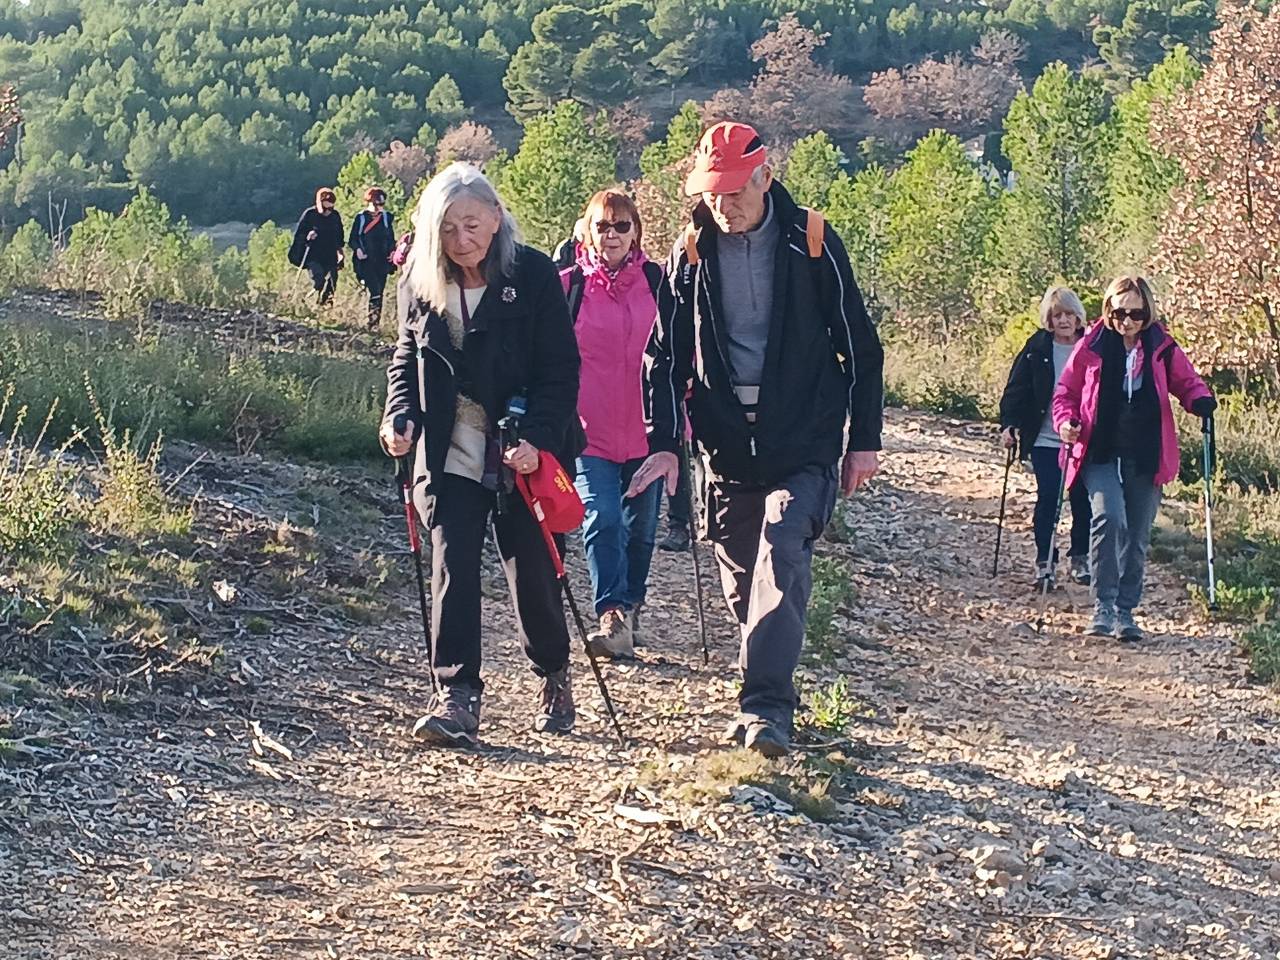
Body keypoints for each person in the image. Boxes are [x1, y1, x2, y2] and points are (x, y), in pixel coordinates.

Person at [627, 121, 884, 757]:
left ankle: (766, 708)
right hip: (725, 449)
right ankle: (763, 684)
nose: (723, 204)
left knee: (783, 545)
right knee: (745, 583)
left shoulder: (812, 242)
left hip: (804, 440)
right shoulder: (692, 252)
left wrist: (864, 439)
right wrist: (664, 441)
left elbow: (860, 345)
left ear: (765, 177)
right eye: (712, 192)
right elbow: (662, 356)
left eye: (735, 190)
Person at [380, 162, 584, 747]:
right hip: (450, 444)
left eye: (471, 224)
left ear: (496, 218)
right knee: (453, 561)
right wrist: (399, 416)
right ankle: (456, 694)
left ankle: (552, 670)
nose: (460, 240)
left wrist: (538, 436)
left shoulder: (535, 274)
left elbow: (561, 370)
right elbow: (405, 358)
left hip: (523, 446)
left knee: (534, 571)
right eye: (447, 229)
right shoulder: (418, 283)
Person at [1053, 275, 1216, 641]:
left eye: (1136, 314)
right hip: (1100, 449)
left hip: (1146, 451)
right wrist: (1066, 422)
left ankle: (1126, 611)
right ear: (1108, 309)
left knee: (1137, 533)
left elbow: (1187, 381)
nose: (1127, 321)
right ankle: (1103, 606)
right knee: (1109, 518)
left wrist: (1200, 402)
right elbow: (1066, 391)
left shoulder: (1161, 344)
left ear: (1148, 312)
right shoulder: (1092, 343)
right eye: (1119, 312)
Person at [561, 189, 663, 659]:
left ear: (637, 231)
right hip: (589, 430)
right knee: (601, 517)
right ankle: (613, 614)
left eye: (622, 225)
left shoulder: (660, 283)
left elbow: (681, 354)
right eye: (603, 225)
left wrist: (683, 409)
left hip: (649, 432)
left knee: (640, 529)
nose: (613, 235)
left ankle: (632, 604)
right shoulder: (569, 287)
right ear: (587, 230)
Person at [998, 286, 1093, 589]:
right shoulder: (1036, 347)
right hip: (1044, 437)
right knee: (1049, 499)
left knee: (1083, 501)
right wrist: (1010, 424)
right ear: (1049, 319)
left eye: (1069, 314)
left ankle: (1079, 558)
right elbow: (1017, 389)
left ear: (1078, 317)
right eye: (1057, 315)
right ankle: (1045, 563)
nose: (1064, 320)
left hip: (1085, 439)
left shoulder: (1094, 346)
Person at [349, 186, 397, 329]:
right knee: (375, 290)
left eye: (381, 204)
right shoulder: (361, 218)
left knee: (380, 292)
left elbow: (391, 238)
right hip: (366, 261)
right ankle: (372, 322)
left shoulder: (387, 218)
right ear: (369, 202)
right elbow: (353, 239)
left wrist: (393, 252)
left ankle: (374, 323)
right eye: (377, 204)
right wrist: (358, 250)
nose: (379, 207)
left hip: (383, 261)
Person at [290, 187, 344, 304]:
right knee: (319, 279)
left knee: (332, 282)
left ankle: (325, 307)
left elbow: (339, 237)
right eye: (326, 208)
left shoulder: (335, 216)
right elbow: (299, 234)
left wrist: (340, 254)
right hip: (313, 256)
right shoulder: (310, 215)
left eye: (331, 208)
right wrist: (308, 236)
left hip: (330, 256)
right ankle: (306, 299)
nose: (329, 211)